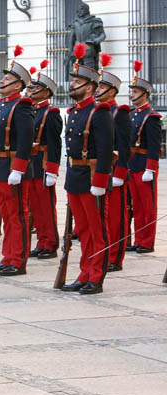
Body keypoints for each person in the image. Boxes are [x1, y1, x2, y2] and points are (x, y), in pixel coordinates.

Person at [60, 48, 113, 295]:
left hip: (92, 178)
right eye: (73, 81)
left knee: (97, 231)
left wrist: (101, 180)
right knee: (82, 230)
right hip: (75, 176)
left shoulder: (99, 112)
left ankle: (96, 276)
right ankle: (84, 272)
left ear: (90, 87)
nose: (72, 85)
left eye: (78, 82)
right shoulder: (74, 112)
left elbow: (104, 150)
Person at [0, 46, 35, 276]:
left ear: (18, 85)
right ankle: (7, 256)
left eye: (8, 78)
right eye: (4, 77)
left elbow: (25, 140)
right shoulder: (1, 105)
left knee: (17, 216)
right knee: (5, 216)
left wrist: (18, 169)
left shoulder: (21, 106)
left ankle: (18, 260)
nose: (2, 80)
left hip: (12, 168)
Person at [94, 54, 131, 271]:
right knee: (102, 215)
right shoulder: (98, 112)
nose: (98, 90)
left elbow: (124, 147)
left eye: (103, 87)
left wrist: (120, 173)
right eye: (98, 86)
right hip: (99, 170)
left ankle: (115, 257)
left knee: (116, 215)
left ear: (113, 91)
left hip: (114, 170)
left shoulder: (120, 113)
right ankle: (104, 253)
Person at [27, 65, 63, 260]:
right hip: (31, 164)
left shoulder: (51, 113)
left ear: (46, 92)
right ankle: (41, 241)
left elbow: (55, 145)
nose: (30, 91)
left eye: (35, 88)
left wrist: (52, 171)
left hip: (42, 164)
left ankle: (50, 243)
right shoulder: (32, 111)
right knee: (35, 207)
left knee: (46, 207)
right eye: (31, 88)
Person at [127, 60, 161, 254]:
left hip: (144, 165)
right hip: (133, 164)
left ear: (145, 94)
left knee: (147, 207)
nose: (132, 94)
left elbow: (155, 146)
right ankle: (139, 238)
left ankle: (147, 242)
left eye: (135, 92)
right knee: (136, 205)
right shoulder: (133, 114)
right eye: (132, 91)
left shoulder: (152, 116)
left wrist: (150, 168)